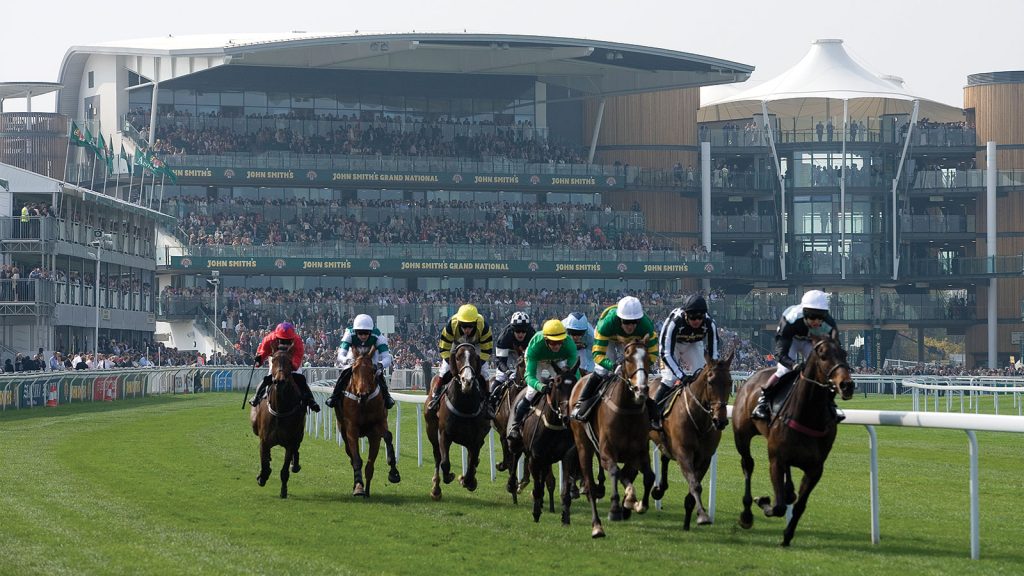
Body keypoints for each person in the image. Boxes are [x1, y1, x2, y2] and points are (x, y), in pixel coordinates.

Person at [570, 295, 661, 430]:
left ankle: (653, 412)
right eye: (626, 322)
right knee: (601, 371)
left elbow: (653, 354)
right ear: (619, 319)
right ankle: (581, 403)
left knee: (639, 378)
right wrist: (613, 366)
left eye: (634, 322)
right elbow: (597, 354)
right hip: (610, 339)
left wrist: (639, 366)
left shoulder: (646, 325)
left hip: (632, 341)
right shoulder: (606, 324)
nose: (630, 326)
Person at [752, 289, 839, 421]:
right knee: (784, 370)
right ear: (804, 313)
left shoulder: (829, 323)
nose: (817, 321)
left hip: (809, 341)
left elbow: (834, 348)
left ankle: (830, 404)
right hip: (790, 340)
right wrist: (794, 365)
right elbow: (780, 354)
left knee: (822, 370)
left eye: (820, 317)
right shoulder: (790, 320)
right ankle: (762, 402)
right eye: (812, 316)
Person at [508, 319, 578, 441]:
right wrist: (541, 386)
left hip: (556, 362)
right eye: (552, 342)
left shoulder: (570, 344)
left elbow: (573, 374)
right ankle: (515, 426)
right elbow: (529, 376)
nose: (556, 345)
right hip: (538, 361)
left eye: (559, 342)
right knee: (531, 393)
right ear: (546, 340)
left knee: (567, 388)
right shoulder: (535, 346)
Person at [656, 294, 722, 423]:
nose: (696, 321)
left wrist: (713, 371)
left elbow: (714, 354)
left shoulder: (710, 323)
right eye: (692, 317)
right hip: (672, 347)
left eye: (700, 317)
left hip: (694, 344)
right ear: (686, 314)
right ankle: (654, 414)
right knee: (670, 378)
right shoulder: (674, 322)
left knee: (701, 377)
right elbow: (665, 353)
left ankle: (707, 413)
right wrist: (681, 375)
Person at [426, 304, 494, 413]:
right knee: (444, 371)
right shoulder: (452, 324)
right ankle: (435, 397)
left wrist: (478, 363)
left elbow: (487, 349)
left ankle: (488, 402)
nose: (467, 330)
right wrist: (452, 363)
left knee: (485, 373)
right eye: (463, 326)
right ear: (459, 322)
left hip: (476, 346)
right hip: (455, 345)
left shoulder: (483, 326)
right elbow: (444, 348)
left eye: (470, 326)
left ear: (476, 323)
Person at [325, 314, 395, 409]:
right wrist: (346, 360)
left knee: (378, 373)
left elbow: (387, 357)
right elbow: (340, 355)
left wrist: (380, 365)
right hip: (354, 356)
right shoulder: (349, 333)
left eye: (366, 333)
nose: (363, 336)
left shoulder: (378, 336)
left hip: (371, 356)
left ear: (370, 332)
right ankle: (335, 396)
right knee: (346, 371)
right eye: (360, 333)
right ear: (355, 331)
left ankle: (387, 397)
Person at [248, 322, 320, 412]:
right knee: (268, 378)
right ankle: (257, 397)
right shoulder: (269, 339)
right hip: (275, 359)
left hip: (291, 360)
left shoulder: (297, 341)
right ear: (277, 337)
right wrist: (259, 359)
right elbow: (263, 351)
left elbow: (297, 358)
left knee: (300, 379)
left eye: (288, 341)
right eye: (282, 340)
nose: (285, 344)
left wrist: (292, 365)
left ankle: (311, 401)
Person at [488, 311, 536, 411]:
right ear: (512, 329)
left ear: (527, 330)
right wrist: (508, 372)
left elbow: (534, 360)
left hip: (525, 353)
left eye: (523, 331)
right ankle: (490, 404)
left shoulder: (532, 335)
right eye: (518, 331)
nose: (521, 334)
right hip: (508, 354)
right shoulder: (504, 337)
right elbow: (500, 362)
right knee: (500, 377)